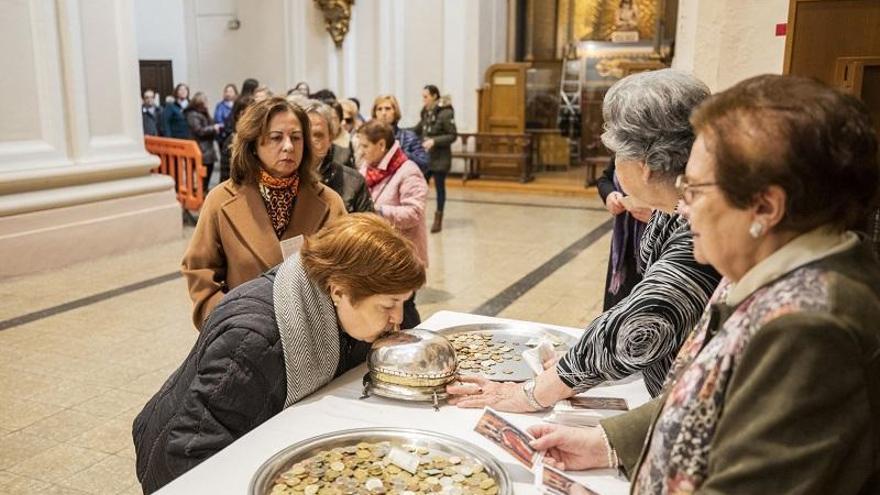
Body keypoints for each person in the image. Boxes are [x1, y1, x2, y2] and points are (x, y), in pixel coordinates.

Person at [526, 74, 880, 493]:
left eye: (693, 190)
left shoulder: (810, 327)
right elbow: (706, 397)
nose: (681, 209)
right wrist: (608, 442)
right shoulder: (764, 270)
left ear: (765, 207)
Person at [447, 69, 721, 408]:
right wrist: (578, 359)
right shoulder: (671, 207)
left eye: (617, 155)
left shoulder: (702, 227)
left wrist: (531, 393)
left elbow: (642, 323)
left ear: (645, 165)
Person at [134, 213, 426, 494]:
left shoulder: (336, 305)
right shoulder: (252, 341)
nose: (396, 318)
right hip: (176, 468)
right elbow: (189, 452)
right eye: (388, 306)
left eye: (402, 303)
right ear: (339, 291)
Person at [181, 96, 347, 329]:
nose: (288, 146)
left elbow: (345, 270)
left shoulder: (329, 202)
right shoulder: (221, 200)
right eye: (276, 137)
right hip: (244, 333)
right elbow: (200, 270)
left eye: (296, 138)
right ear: (254, 145)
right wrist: (227, 321)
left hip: (313, 333)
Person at [358, 120, 428, 330]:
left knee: (405, 307)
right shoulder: (367, 167)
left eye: (365, 146)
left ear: (381, 145)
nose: (361, 152)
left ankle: (415, 344)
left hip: (404, 255)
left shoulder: (408, 171)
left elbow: (415, 212)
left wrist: (378, 212)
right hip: (380, 254)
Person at [302, 98, 373, 213]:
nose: (310, 141)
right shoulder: (282, 179)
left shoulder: (353, 182)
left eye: (318, 135)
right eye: (304, 134)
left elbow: (367, 229)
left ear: (330, 139)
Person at [597, 158, 649, 310]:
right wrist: (610, 195)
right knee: (617, 310)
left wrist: (658, 215)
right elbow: (605, 179)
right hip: (624, 249)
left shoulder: (676, 144)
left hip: (656, 248)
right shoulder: (625, 142)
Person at [413, 84, 457, 233]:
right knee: (420, 187)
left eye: (425, 97)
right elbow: (417, 130)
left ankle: (438, 219)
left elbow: (452, 135)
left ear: (434, 96)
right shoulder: (426, 112)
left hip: (440, 158)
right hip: (426, 158)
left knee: (439, 188)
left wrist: (434, 141)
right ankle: (417, 216)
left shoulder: (445, 113)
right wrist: (397, 131)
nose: (423, 100)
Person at [372, 94, 429, 172]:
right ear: (375, 113)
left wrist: (400, 152)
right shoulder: (369, 138)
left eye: (388, 109)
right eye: (379, 109)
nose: (383, 113)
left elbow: (424, 164)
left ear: (395, 112)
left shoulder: (409, 137)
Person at [184, 92, 220, 193]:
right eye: (205, 101)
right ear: (199, 102)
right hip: (200, 147)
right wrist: (213, 128)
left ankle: (204, 190)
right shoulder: (192, 114)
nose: (207, 103)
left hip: (207, 146)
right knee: (202, 172)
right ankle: (201, 191)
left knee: (209, 169)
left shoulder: (204, 112)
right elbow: (199, 130)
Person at [219, 95, 254, 183]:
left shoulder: (258, 138)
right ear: (237, 116)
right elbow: (227, 176)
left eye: (252, 114)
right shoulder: (231, 141)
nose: (248, 118)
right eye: (244, 114)